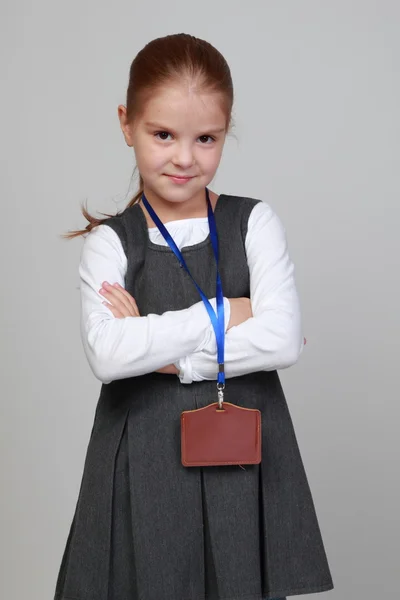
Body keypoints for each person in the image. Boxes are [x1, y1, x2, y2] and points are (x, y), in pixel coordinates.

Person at [54, 33, 334, 600]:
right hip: (143, 456)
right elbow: (108, 354)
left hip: (243, 454)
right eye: (163, 135)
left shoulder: (254, 222)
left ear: (225, 134)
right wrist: (226, 311)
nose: (185, 158)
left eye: (206, 138)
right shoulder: (111, 244)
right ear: (126, 123)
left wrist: (162, 358)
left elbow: (280, 342)